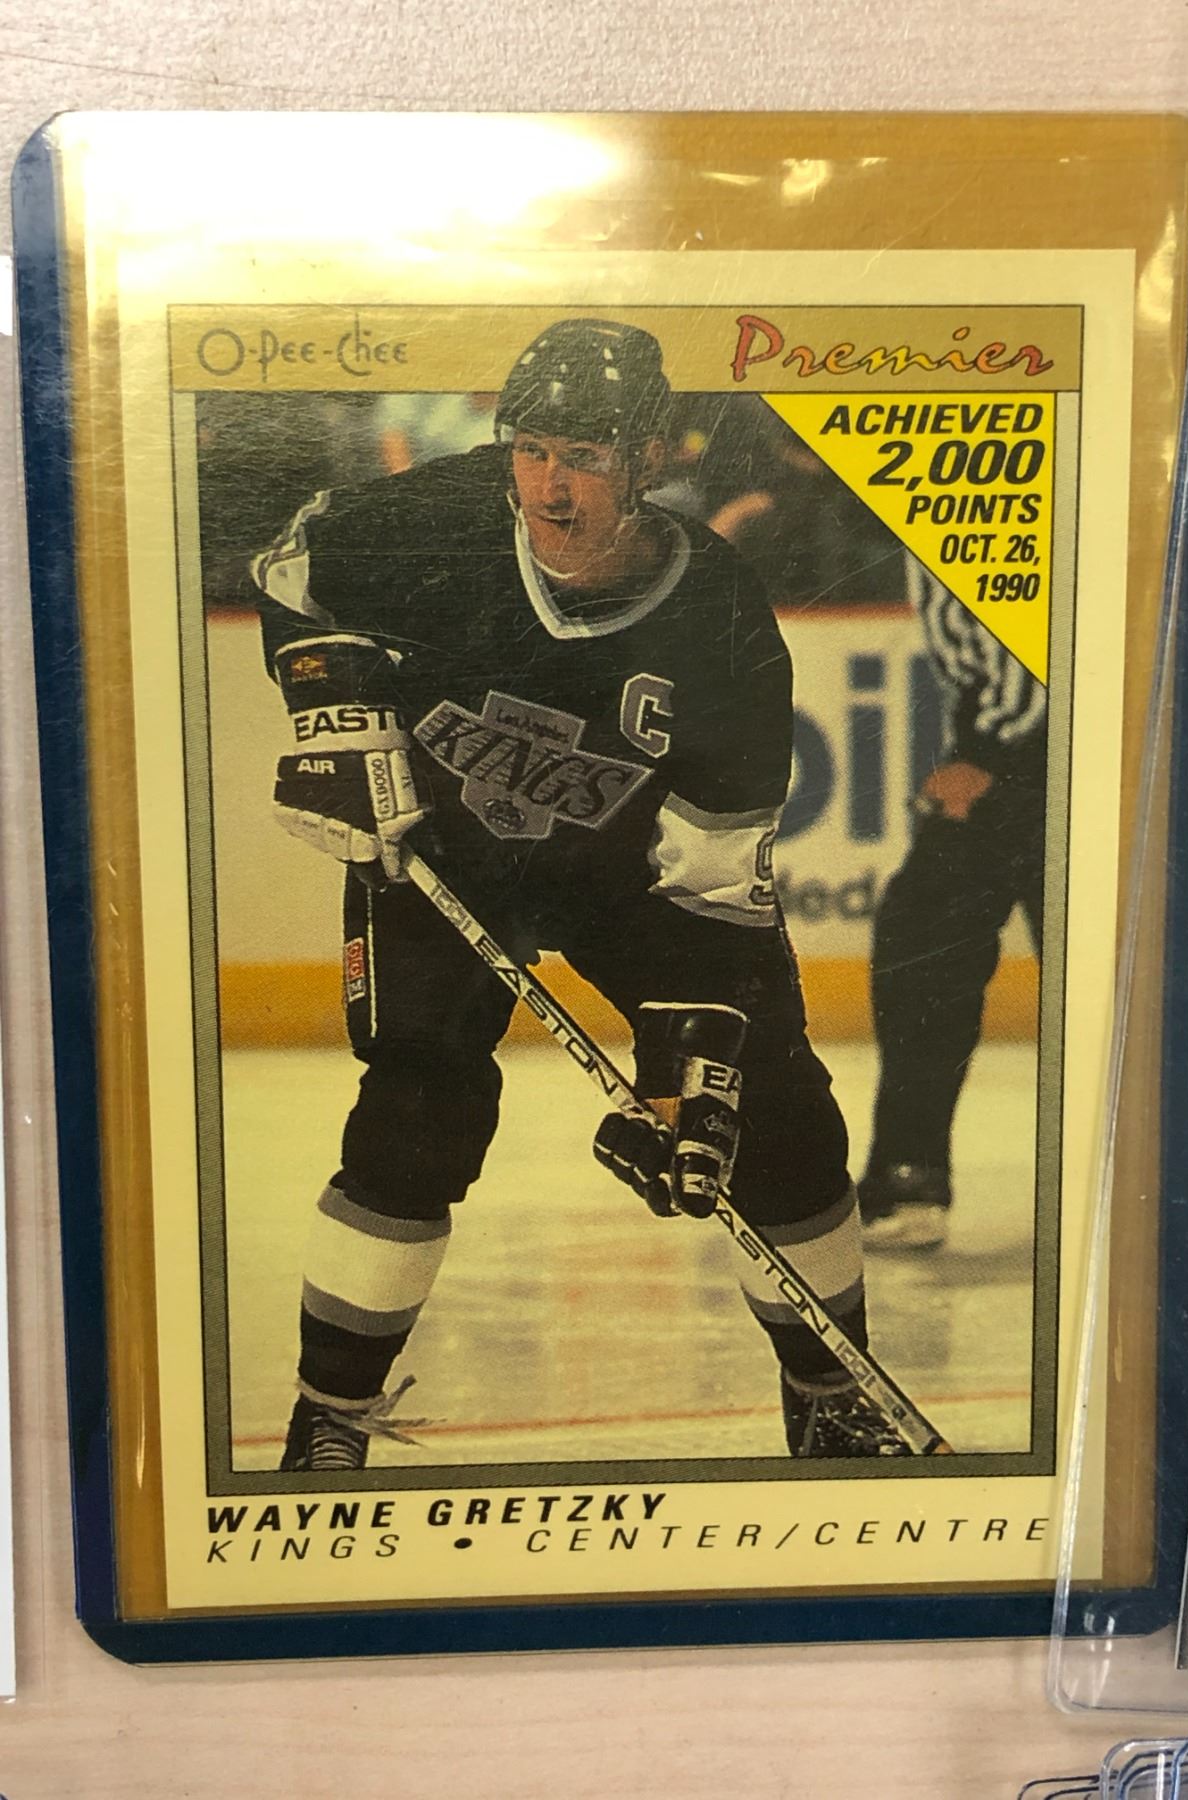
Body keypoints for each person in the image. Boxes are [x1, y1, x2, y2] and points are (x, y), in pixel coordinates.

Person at [250, 319, 910, 1469]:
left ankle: (828, 1394)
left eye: (588, 458)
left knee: (776, 1115)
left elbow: (715, 886)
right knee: (415, 1112)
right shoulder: (443, 515)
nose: (552, 488)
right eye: (534, 451)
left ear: (650, 460)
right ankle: (330, 1416)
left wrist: (694, 1080)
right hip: (441, 852)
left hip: (634, 885)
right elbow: (292, 570)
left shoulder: (719, 619)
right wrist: (332, 708)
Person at [859, 569, 1047, 1250]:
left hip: (1034, 753)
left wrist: (988, 755)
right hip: (1015, 745)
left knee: (923, 945)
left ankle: (908, 1178)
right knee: (921, 942)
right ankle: (907, 1177)